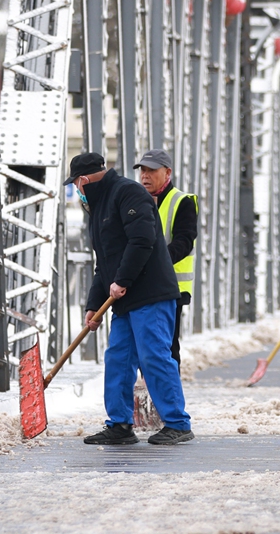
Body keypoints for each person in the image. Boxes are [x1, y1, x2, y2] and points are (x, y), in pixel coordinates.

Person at [66, 153, 193, 446]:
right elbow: (104, 264)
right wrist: (92, 306)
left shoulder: (128, 192)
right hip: (123, 300)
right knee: (118, 358)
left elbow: (142, 240)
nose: (77, 191)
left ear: (83, 180)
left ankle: (178, 423)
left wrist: (123, 280)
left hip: (150, 292)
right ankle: (120, 425)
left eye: (75, 184)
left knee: (154, 356)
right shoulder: (97, 209)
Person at [134, 149, 197, 364]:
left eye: (152, 170)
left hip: (171, 288)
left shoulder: (182, 202)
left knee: (167, 348)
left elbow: (184, 242)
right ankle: (146, 393)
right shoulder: (134, 201)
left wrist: (154, 263)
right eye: (143, 170)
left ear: (167, 172)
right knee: (140, 347)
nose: (145, 175)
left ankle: (169, 396)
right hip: (140, 287)